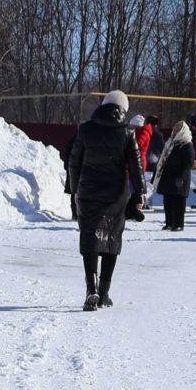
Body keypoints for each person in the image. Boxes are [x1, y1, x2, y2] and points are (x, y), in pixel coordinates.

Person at [65, 89, 145, 311]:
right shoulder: (127, 133)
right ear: (122, 110)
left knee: (89, 238)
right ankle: (104, 293)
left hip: (89, 191)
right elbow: (136, 166)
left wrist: (75, 189)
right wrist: (140, 193)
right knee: (111, 239)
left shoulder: (86, 129)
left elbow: (74, 161)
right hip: (115, 195)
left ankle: (91, 290)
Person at [154, 120, 195, 231]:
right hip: (168, 176)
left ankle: (178, 224)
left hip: (179, 177)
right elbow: (162, 158)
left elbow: (188, 163)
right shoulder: (170, 142)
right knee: (168, 201)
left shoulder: (187, 144)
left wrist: (181, 177)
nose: (175, 131)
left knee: (179, 202)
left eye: (178, 129)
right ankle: (169, 223)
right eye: (175, 129)